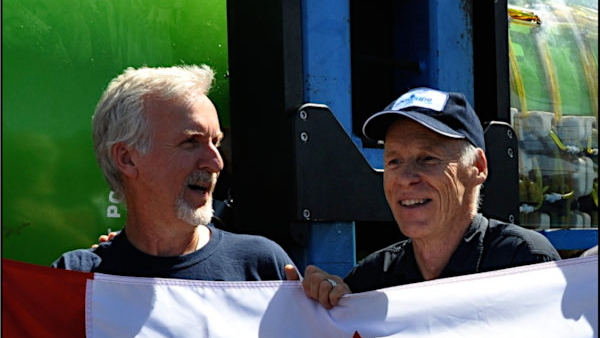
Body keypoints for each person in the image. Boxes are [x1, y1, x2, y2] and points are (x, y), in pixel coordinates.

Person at [303, 87, 561, 307]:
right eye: (394, 161)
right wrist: (331, 309)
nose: (406, 177)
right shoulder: (370, 282)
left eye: (428, 158)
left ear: (478, 167)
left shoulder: (524, 263)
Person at [53, 65, 298, 282]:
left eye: (216, 142)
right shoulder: (76, 279)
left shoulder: (262, 268)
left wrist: (331, 305)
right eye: (191, 142)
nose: (216, 162)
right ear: (127, 159)